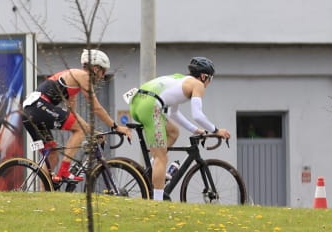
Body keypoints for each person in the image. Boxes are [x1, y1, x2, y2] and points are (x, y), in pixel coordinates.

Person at [19, 49, 129, 185]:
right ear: (95, 68)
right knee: (79, 130)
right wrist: (116, 127)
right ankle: (64, 171)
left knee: (52, 156)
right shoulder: (83, 76)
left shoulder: (73, 81)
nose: (102, 77)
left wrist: (93, 132)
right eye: (103, 72)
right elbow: (96, 108)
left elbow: (73, 116)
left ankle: (45, 196)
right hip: (37, 108)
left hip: (31, 113)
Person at [130, 56, 231, 201]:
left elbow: (174, 113)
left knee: (173, 132)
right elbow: (197, 115)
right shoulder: (198, 85)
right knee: (162, 157)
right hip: (150, 106)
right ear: (204, 76)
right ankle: (157, 203)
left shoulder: (181, 80)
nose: (209, 83)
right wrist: (216, 130)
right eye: (210, 79)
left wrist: (196, 130)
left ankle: (154, 167)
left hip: (139, 103)